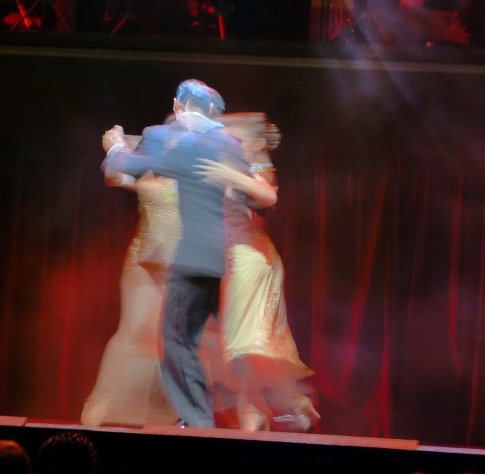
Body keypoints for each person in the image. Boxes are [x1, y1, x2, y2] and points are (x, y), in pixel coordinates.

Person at [102, 80, 253, 428]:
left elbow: (128, 167)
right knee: (204, 341)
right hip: (222, 258)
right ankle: (211, 415)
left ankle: (198, 423)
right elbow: (249, 196)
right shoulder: (227, 142)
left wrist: (115, 146)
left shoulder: (165, 136)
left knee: (177, 341)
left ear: (176, 104)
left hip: (192, 258)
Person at [195, 113, 318, 431]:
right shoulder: (217, 162)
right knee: (228, 340)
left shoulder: (248, 165)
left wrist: (229, 173)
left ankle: (255, 406)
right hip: (229, 261)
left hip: (248, 258)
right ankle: (279, 402)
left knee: (241, 340)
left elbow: (268, 196)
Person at [81, 138, 181, 428]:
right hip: (146, 263)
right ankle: (104, 409)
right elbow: (115, 176)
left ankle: (163, 412)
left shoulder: (193, 173)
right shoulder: (149, 172)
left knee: (166, 340)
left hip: (177, 266)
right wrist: (118, 148)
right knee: (136, 333)